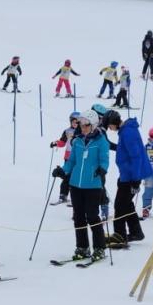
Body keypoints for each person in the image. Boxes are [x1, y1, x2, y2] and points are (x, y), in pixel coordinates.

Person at [52, 110, 108, 262]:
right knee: (78, 217)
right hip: (76, 184)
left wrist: (102, 169)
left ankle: (99, 247)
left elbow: (104, 160)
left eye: (86, 125)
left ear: (94, 124)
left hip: (93, 184)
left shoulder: (101, 141)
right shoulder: (76, 141)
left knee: (92, 216)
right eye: (81, 124)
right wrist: (62, 171)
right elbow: (71, 162)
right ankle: (82, 247)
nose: (82, 127)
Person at [102, 109, 151, 245]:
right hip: (126, 175)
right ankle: (136, 232)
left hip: (131, 177)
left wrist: (135, 180)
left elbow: (136, 157)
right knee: (127, 204)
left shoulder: (128, 133)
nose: (110, 129)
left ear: (114, 122)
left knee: (120, 205)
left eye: (109, 126)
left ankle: (119, 235)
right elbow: (124, 151)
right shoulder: (125, 131)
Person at [50, 111, 81, 205]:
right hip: (68, 157)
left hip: (78, 157)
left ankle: (76, 197)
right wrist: (55, 143)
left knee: (76, 177)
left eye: (77, 122)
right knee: (67, 177)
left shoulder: (83, 131)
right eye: (73, 121)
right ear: (70, 121)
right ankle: (63, 195)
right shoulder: (67, 131)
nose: (75, 123)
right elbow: (63, 142)